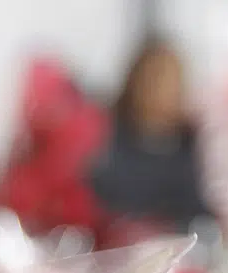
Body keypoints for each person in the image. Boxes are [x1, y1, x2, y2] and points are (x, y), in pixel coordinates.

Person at [90, 39, 213, 230]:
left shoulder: (191, 144)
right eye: (153, 79)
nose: (161, 90)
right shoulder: (106, 137)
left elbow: (201, 213)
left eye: (170, 81)